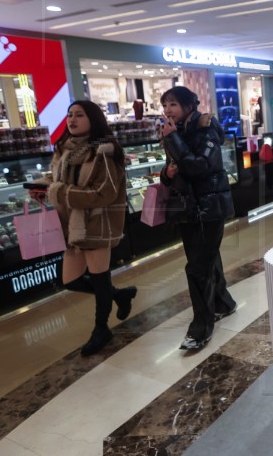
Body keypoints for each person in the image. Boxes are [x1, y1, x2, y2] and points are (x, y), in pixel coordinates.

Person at [30, 100, 136, 356]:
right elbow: (57, 180)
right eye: (69, 115)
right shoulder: (64, 150)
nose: (72, 119)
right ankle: (119, 295)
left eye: (79, 115)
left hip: (98, 224)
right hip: (70, 227)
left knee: (100, 280)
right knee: (70, 280)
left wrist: (59, 192)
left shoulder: (105, 152)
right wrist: (43, 187)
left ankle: (102, 329)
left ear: (93, 119)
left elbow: (104, 193)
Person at [159, 86, 236, 351]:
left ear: (189, 105)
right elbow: (173, 169)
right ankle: (223, 303)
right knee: (206, 259)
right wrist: (166, 174)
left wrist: (173, 141)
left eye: (173, 104)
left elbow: (201, 166)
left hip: (209, 207)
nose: (168, 110)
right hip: (187, 208)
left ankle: (201, 328)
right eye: (165, 105)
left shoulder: (206, 127)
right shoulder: (176, 132)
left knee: (197, 268)